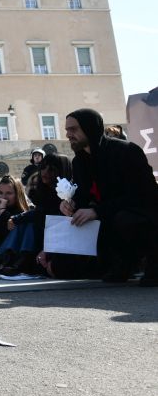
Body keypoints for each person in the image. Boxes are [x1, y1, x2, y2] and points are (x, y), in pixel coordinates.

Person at [61, 108, 158, 285]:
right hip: (110, 213)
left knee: (124, 219)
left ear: (89, 128)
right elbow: (83, 194)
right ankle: (121, 263)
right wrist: (70, 204)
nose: (68, 135)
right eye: (67, 130)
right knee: (82, 219)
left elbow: (143, 194)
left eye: (73, 129)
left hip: (142, 213)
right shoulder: (79, 161)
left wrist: (97, 211)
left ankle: (152, 262)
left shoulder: (126, 151)